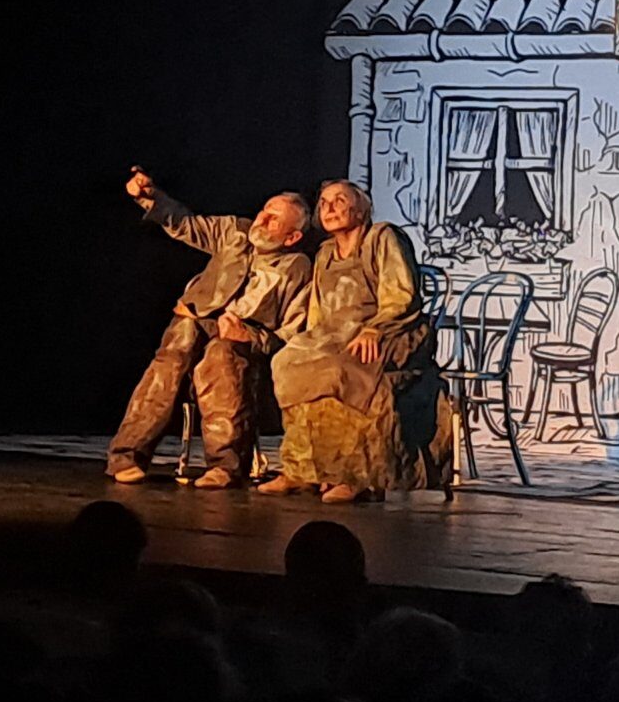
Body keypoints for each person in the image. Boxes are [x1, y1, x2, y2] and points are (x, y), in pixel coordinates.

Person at [107, 169, 311, 488]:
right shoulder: (235, 232)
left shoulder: (298, 268)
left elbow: (293, 330)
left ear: (292, 237)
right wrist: (151, 197)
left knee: (221, 359)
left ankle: (225, 466)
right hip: (197, 317)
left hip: (242, 337)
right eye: (264, 211)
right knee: (175, 353)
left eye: (273, 219)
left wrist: (251, 336)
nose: (261, 219)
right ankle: (127, 455)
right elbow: (187, 224)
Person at [258, 180, 450, 503]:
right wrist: (308, 341)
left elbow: (401, 296)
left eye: (339, 200)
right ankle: (303, 469)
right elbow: (318, 310)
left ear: (361, 209)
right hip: (337, 336)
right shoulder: (325, 253)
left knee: (343, 368)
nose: (329, 208)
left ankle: (354, 475)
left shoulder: (382, 238)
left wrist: (375, 329)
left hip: (391, 331)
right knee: (289, 362)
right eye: (324, 203)